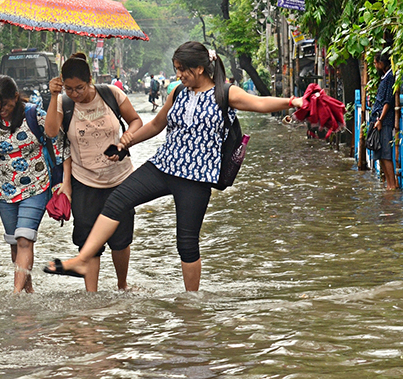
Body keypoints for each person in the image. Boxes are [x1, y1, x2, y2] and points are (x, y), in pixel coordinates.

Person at [43, 41, 303, 291]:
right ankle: (81, 261)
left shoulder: (225, 93)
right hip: (164, 166)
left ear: (199, 68)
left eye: (182, 69)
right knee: (117, 200)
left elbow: (260, 103)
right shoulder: (178, 92)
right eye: (176, 69)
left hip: (197, 177)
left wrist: (292, 102)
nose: (178, 75)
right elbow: (156, 125)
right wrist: (126, 142)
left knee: (187, 243)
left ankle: (191, 307)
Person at [44, 54, 143, 291]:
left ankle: (122, 285)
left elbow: (136, 121)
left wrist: (125, 141)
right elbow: (50, 132)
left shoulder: (111, 94)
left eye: (79, 88)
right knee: (89, 241)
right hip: (84, 181)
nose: (75, 94)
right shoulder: (63, 103)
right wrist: (55, 95)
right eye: (69, 88)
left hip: (120, 179)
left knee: (120, 240)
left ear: (90, 80)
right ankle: (92, 295)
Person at [0, 75, 64, 293]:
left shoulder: (35, 115)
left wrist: (63, 183)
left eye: (2, 104)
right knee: (15, 242)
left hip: (36, 186)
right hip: (4, 192)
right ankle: (27, 290)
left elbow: (60, 144)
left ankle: (15, 295)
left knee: (25, 238)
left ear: (15, 97)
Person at [370, 53, 398, 190]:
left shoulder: (390, 77)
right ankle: (389, 185)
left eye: (376, 63)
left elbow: (387, 101)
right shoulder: (385, 77)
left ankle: (392, 185)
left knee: (386, 154)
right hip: (379, 119)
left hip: (384, 121)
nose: (375, 65)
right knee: (380, 153)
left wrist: (380, 119)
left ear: (381, 63)